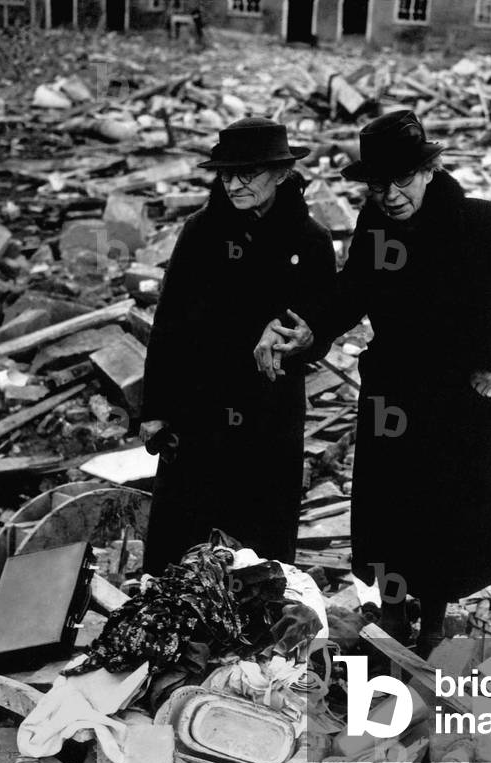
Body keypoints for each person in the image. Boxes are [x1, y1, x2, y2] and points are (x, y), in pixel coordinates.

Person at [302, 110, 491, 656]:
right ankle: (396, 618)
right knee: (389, 511)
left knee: (444, 513)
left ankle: (433, 625)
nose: (391, 196)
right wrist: (310, 329)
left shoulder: (480, 224)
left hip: (457, 395)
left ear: (430, 170)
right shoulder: (374, 225)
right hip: (393, 389)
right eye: (379, 185)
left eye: (402, 181)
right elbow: (352, 293)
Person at [139, 117, 336, 575]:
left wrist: (296, 341)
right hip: (199, 404)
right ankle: (177, 624)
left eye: (247, 173)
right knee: (182, 534)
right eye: (226, 174)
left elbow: (321, 330)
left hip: (269, 407)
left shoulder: (311, 242)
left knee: (259, 539)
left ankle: (257, 634)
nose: (234, 184)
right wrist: (155, 408)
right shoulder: (200, 233)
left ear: (282, 173)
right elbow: (167, 324)